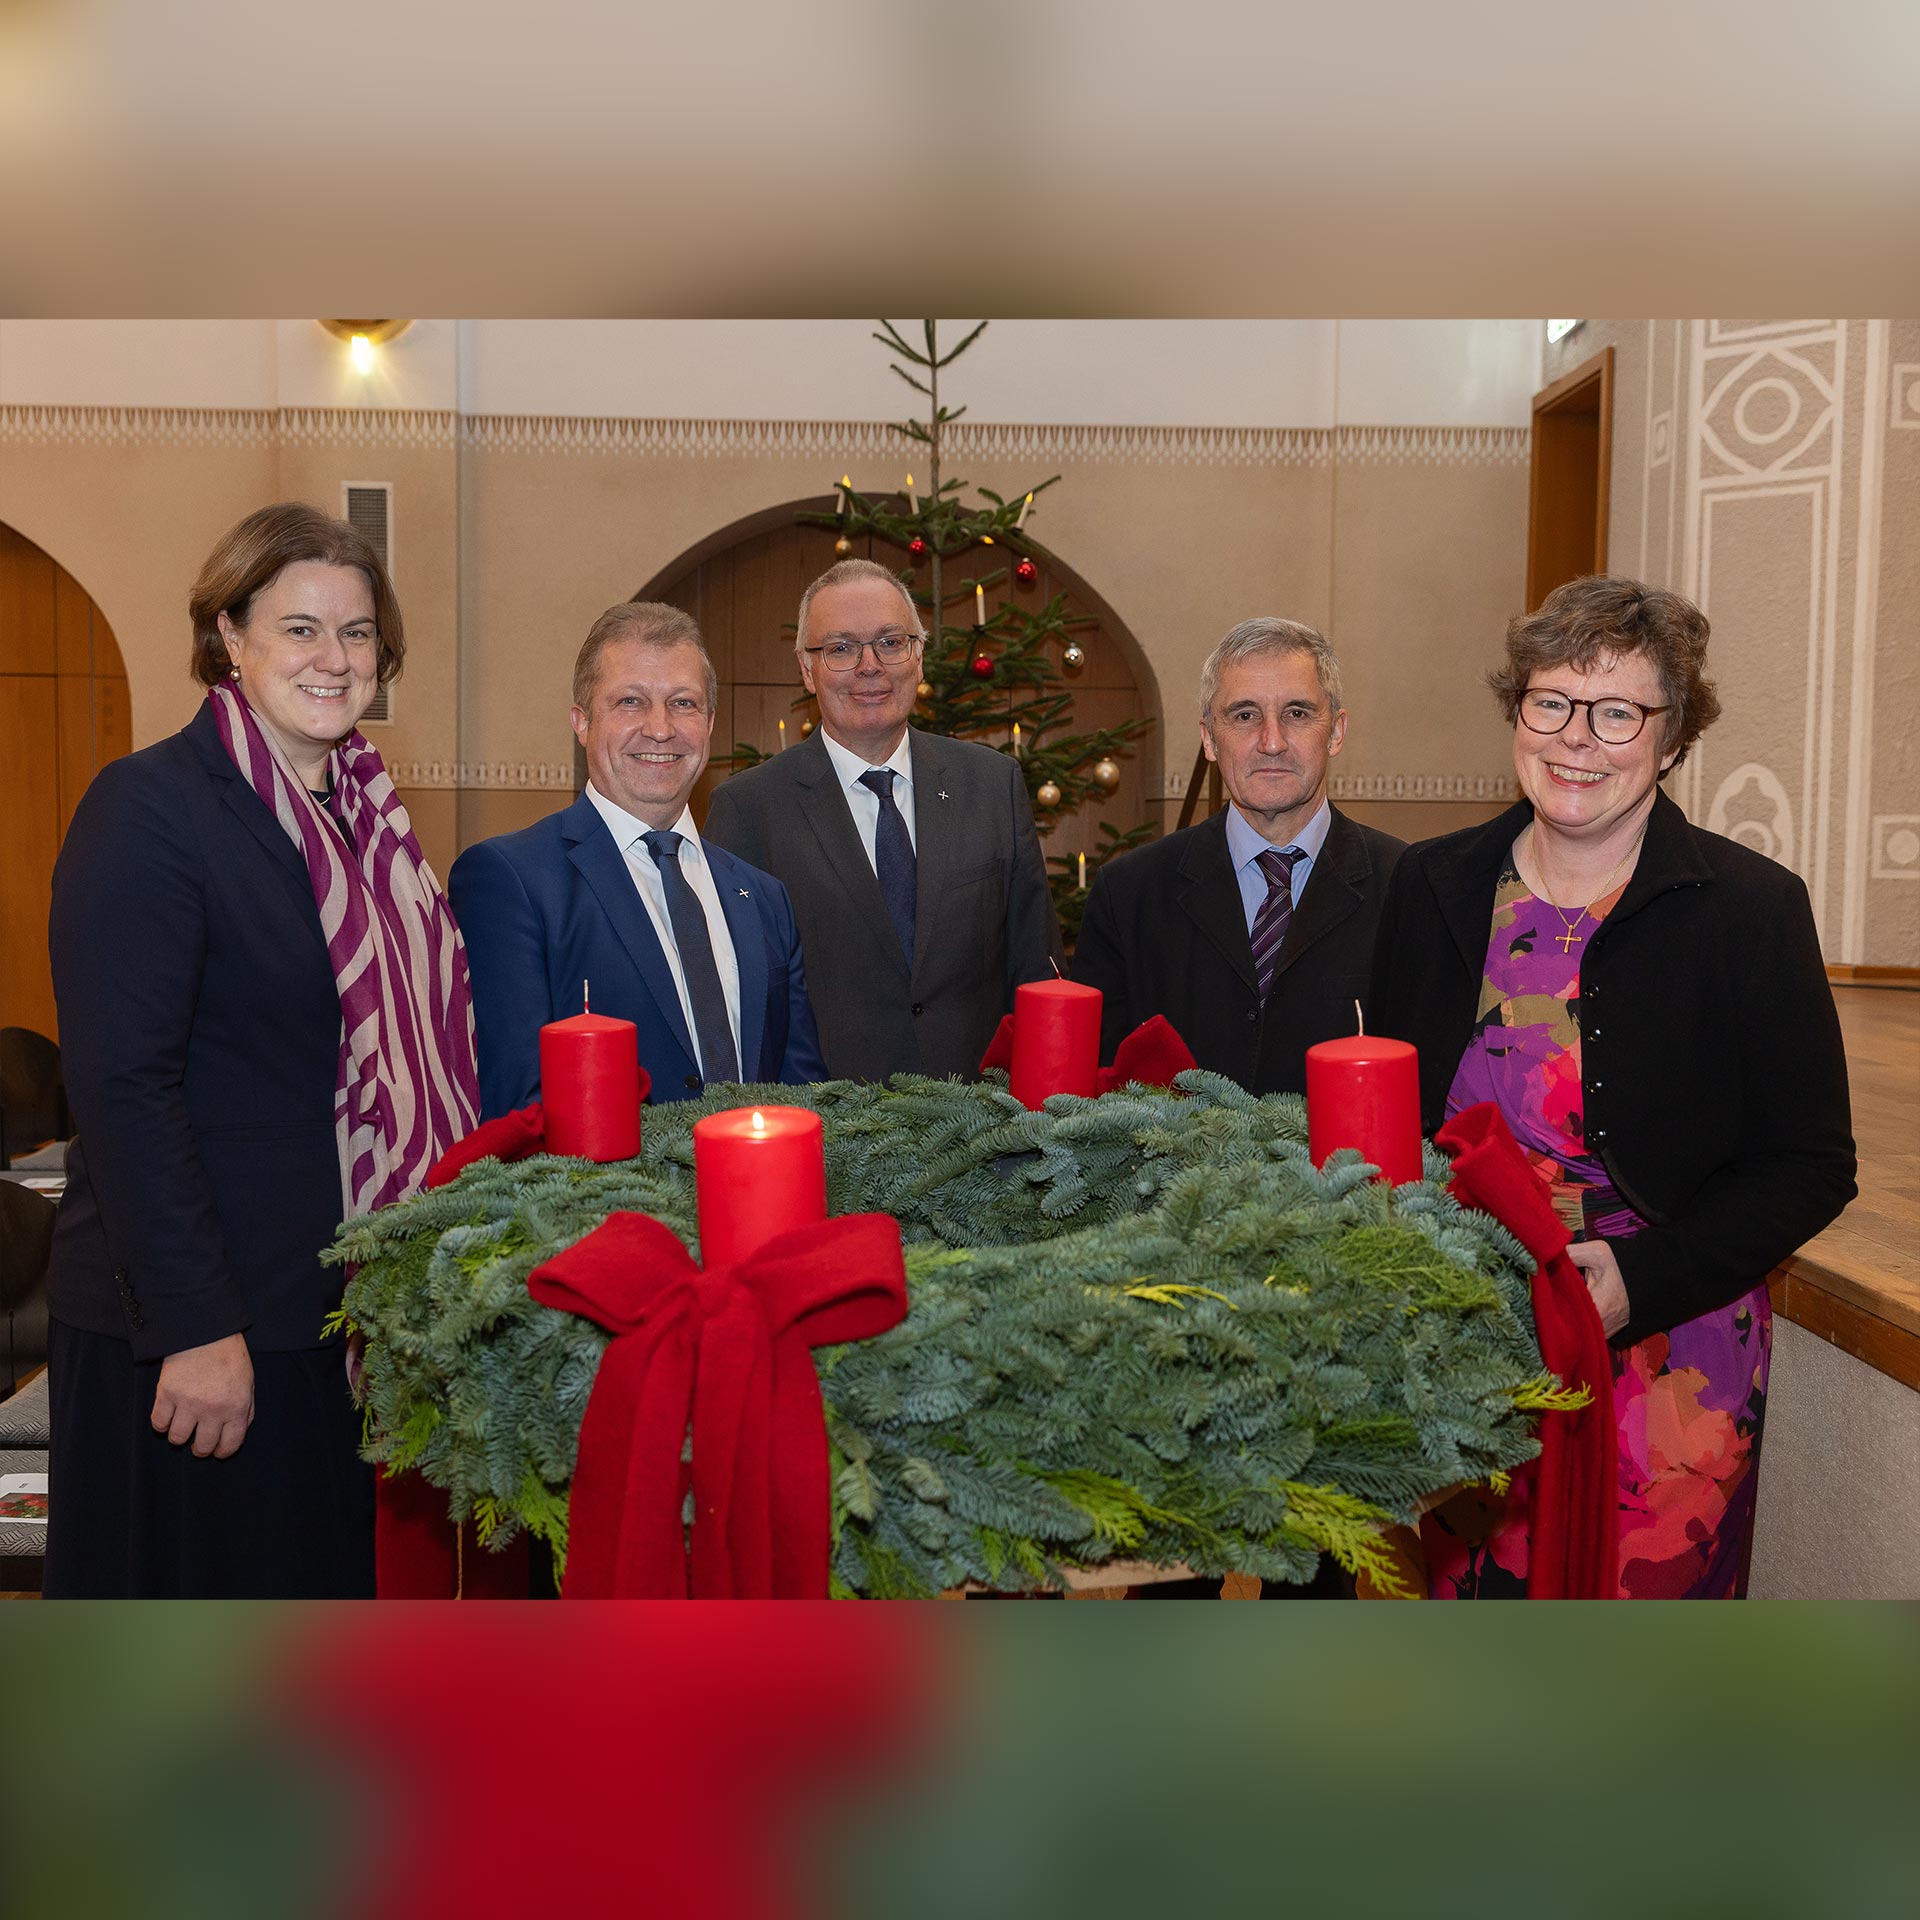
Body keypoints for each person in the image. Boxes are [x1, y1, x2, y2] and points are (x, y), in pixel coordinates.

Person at [1368, 575, 1856, 1599]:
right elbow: (1391, 1116)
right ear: (1518, 709)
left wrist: (1643, 1281)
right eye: (1551, 701)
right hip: (1469, 1334)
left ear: (1672, 739)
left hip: (1669, 1351)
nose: (1576, 737)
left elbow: (1810, 1165)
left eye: (1618, 711)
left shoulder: (1750, 910)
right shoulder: (1432, 884)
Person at [44, 502, 479, 1597]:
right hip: (200, 1329)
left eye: (358, 633)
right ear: (229, 635)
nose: (334, 659)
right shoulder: (150, 809)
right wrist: (198, 1328)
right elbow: (123, 1090)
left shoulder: (370, 825)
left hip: (333, 1316)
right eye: (299, 628)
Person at [450, 601, 824, 1115]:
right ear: (581, 722)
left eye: (683, 703)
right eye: (630, 701)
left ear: (710, 723)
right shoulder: (510, 880)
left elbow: (803, 1096)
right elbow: (518, 1105)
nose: (660, 728)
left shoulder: (763, 897)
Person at [702, 558, 1060, 1083]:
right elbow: (734, 1000)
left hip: (982, 1132)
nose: (870, 666)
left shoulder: (993, 785)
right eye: (841, 649)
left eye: (891, 642)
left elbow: (1037, 971)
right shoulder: (749, 809)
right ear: (807, 668)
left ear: (919, 657)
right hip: (828, 1133)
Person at [1071, 618, 1404, 1094]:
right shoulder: (1129, 894)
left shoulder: (1406, 887)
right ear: (1209, 737)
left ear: (1336, 731)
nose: (1272, 742)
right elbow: (1095, 1096)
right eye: (1244, 715)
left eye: (1297, 713)